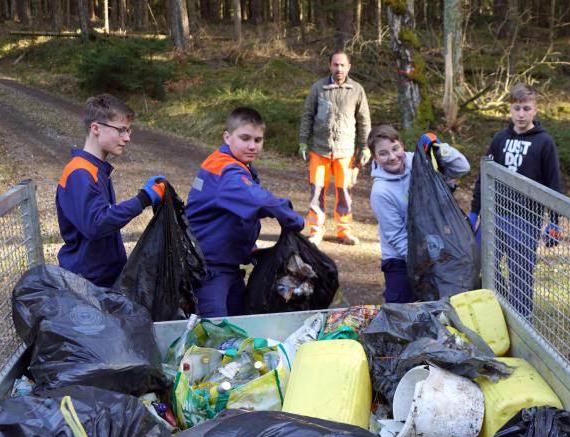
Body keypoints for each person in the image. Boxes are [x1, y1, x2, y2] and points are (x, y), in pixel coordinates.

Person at [186, 107, 305, 318]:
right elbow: (258, 200)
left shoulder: (233, 164)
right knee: (214, 336)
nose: (252, 146)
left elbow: (231, 213)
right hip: (209, 272)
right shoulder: (226, 170)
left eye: (258, 140)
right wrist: (290, 217)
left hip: (227, 266)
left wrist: (247, 245)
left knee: (239, 327)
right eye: (245, 138)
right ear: (227, 136)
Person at [469, 83, 563, 319]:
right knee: (482, 262)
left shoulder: (544, 142)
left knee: (520, 272)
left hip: (526, 219)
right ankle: (498, 307)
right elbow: (484, 175)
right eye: (517, 108)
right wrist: (474, 211)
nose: (521, 114)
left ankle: (522, 319)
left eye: (526, 108)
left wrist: (554, 221)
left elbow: (553, 183)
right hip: (495, 215)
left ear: (535, 110)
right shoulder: (500, 138)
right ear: (510, 109)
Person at [56, 94, 167, 288]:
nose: (127, 138)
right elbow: (96, 223)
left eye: (128, 131)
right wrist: (143, 199)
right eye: (121, 130)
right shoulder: (80, 173)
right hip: (87, 286)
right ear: (96, 128)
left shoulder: (97, 170)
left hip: (101, 280)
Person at [367, 125, 470, 303]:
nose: (392, 157)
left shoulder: (420, 163)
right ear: (375, 157)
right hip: (401, 258)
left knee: (442, 304)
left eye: (395, 148)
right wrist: (423, 266)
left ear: (401, 144)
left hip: (437, 248)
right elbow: (396, 235)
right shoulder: (381, 191)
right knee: (402, 310)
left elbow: (462, 168)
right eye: (383, 153)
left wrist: (439, 148)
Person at [298, 50, 371, 246]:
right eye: (335, 64)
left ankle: (344, 231)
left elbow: (364, 121)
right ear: (330, 66)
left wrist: (364, 147)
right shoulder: (318, 88)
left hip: (345, 151)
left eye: (342, 65)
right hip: (319, 149)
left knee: (345, 193)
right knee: (317, 192)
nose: (339, 68)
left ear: (349, 67)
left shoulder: (357, 90)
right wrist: (303, 141)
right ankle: (316, 230)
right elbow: (307, 115)